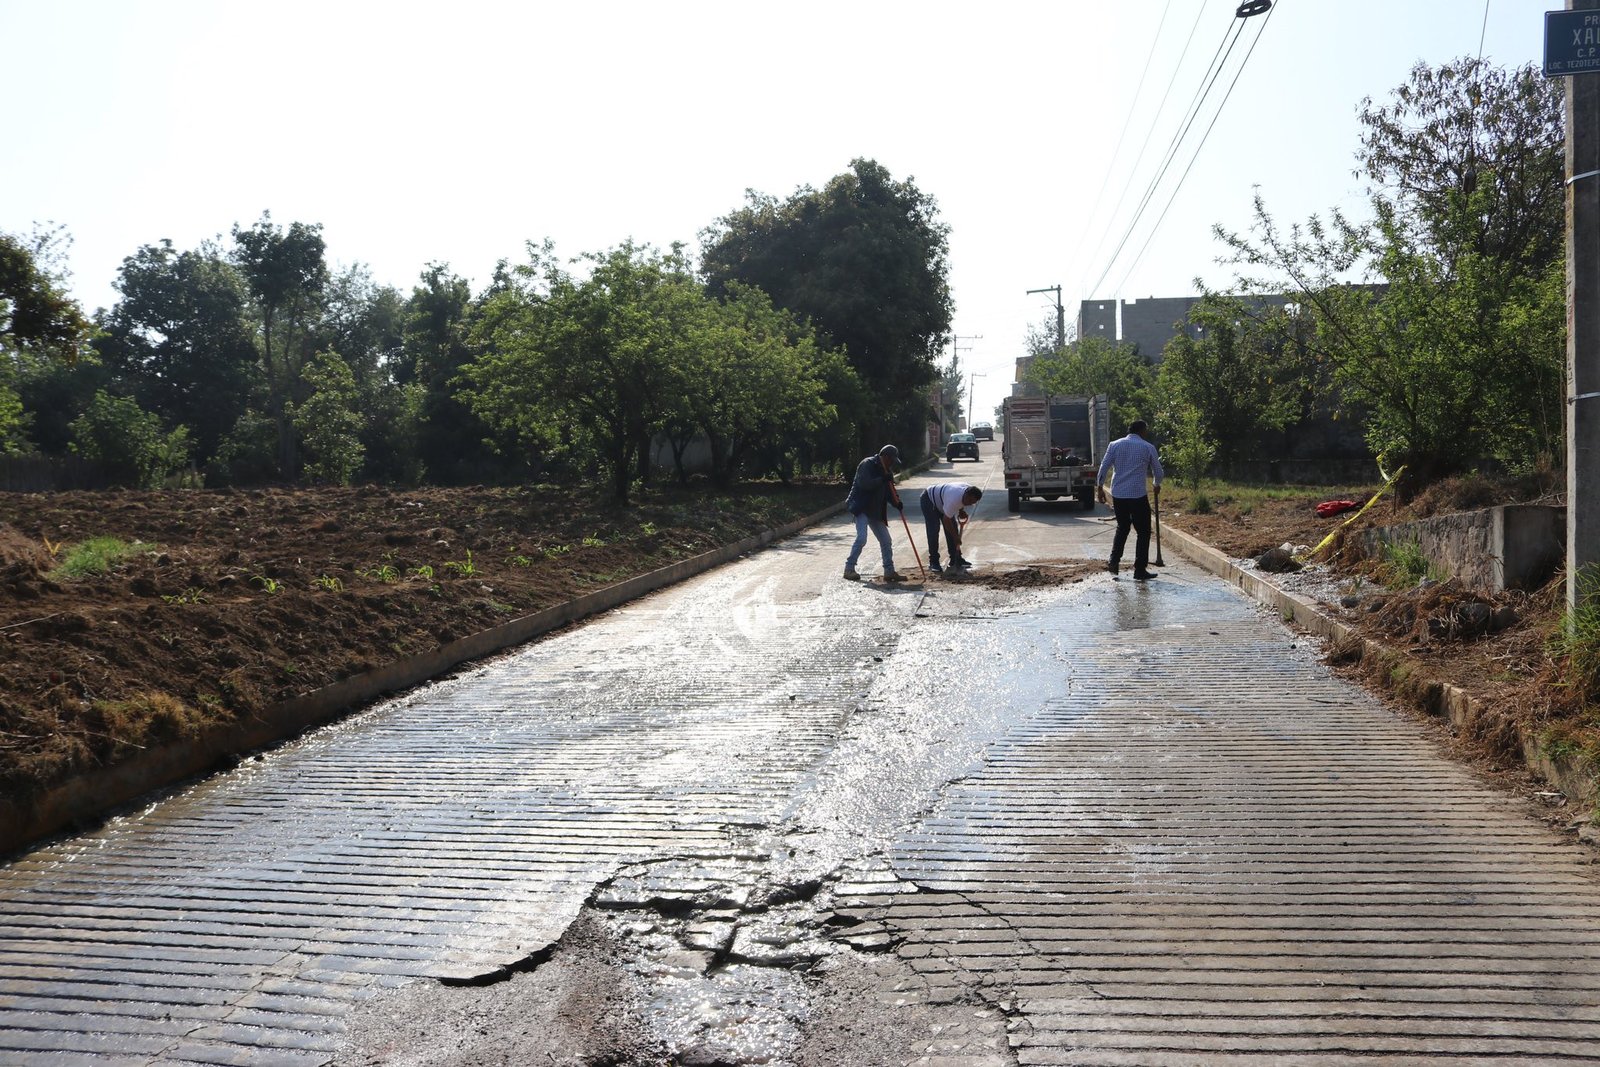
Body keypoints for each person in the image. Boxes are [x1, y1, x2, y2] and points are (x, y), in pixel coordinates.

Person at [1096, 420, 1164, 580]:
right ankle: (1139, 569)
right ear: (1142, 430)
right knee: (1143, 532)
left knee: (1123, 527)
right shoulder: (1148, 447)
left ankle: (1114, 562)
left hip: (1118, 494)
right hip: (1137, 495)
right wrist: (1156, 484)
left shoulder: (1114, 445)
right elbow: (1158, 471)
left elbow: (1104, 467)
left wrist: (1099, 487)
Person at [844, 444, 907, 582]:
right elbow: (864, 484)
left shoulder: (886, 471)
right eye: (891, 460)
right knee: (862, 538)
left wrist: (896, 503)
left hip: (875, 511)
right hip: (861, 507)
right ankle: (849, 569)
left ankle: (889, 571)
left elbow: (889, 492)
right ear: (884, 456)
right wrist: (882, 479)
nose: (892, 464)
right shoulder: (867, 464)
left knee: (886, 541)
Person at [920, 482, 982, 574]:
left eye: (972, 503)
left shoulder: (968, 490)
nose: (969, 504)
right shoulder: (954, 499)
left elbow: (962, 502)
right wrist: (955, 537)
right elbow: (946, 520)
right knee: (934, 531)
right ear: (966, 495)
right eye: (969, 501)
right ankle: (934, 562)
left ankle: (956, 559)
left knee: (952, 530)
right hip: (929, 500)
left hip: (943, 500)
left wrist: (961, 510)